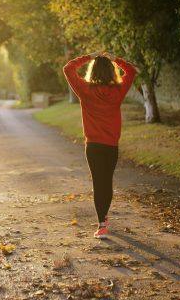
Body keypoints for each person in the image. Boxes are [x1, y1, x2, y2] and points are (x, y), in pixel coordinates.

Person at [63, 50, 137, 239]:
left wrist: (89, 56)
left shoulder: (85, 90)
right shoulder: (118, 91)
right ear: (112, 72)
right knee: (107, 182)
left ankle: (102, 225)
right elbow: (132, 71)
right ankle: (104, 219)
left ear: (92, 71)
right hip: (111, 146)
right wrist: (115, 59)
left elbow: (68, 68)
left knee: (99, 183)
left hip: (93, 146)